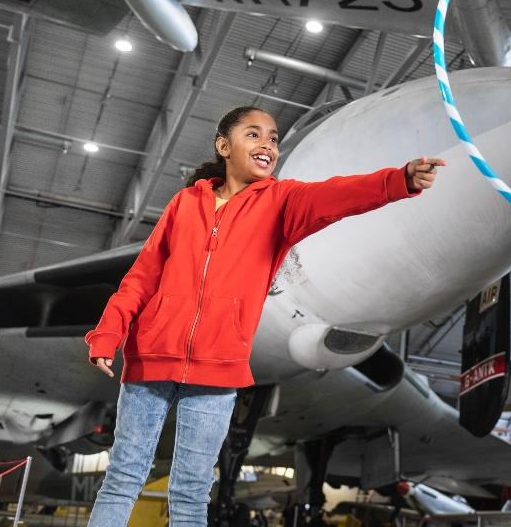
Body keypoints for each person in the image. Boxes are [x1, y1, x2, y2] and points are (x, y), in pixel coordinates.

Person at [83, 105, 444, 527]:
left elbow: (339, 195)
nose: (267, 145)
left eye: (272, 138)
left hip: (217, 372)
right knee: (124, 477)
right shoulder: (184, 204)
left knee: (191, 490)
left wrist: (398, 180)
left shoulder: (282, 203)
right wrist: (107, 333)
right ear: (224, 146)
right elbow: (142, 277)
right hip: (150, 360)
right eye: (253, 135)